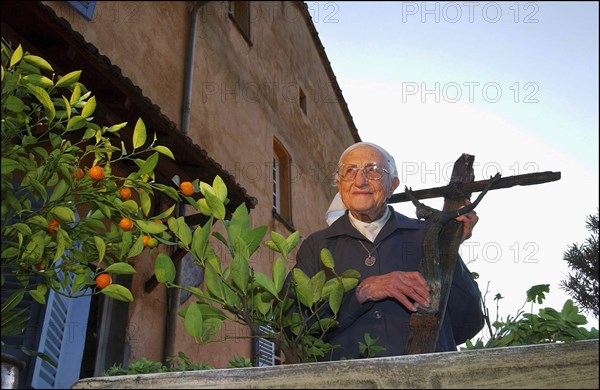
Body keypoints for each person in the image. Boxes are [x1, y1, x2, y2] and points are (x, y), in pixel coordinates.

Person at [292, 142, 484, 360]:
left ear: (393, 184)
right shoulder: (318, 246)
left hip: (426, 377)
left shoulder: (427, 235)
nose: (360, 181)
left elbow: (469, 319)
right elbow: (294, 326)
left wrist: (450, 244)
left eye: (373, 170)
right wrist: (359, 295)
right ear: (339, 184)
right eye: (350, 171)